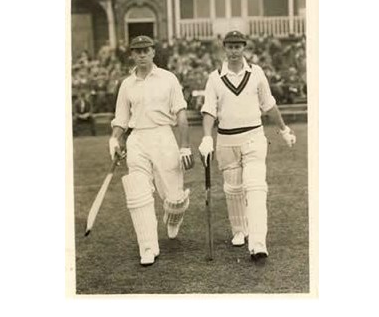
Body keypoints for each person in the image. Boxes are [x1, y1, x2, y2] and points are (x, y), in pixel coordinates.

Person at [198, 31, 296, 262]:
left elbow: (269, 104)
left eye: (238, 46)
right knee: (233, 191)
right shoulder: (214, 77)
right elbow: (209, 110)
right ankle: (239, 231)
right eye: (230, 46)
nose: (234, 51)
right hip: (226, 141)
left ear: (244, 48)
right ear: (224, 48)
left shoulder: (257, 73)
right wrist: (206, 138)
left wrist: (283, 130)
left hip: (254, 138)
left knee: (256, 188)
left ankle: (258, 242)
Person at [109, 35, 194, 266]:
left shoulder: (168, 79)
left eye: (146, 50)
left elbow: (181, 115)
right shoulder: (127, 84)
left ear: (154, 52)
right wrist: (115, 140)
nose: (142, 54)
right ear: (132, 55)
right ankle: (148, 247)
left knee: (175, 200)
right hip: (138, 138)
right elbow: (121, 119)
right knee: (138, 191)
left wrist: (185, 146)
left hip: (163, 136)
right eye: (137, 51)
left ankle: (174, 216)